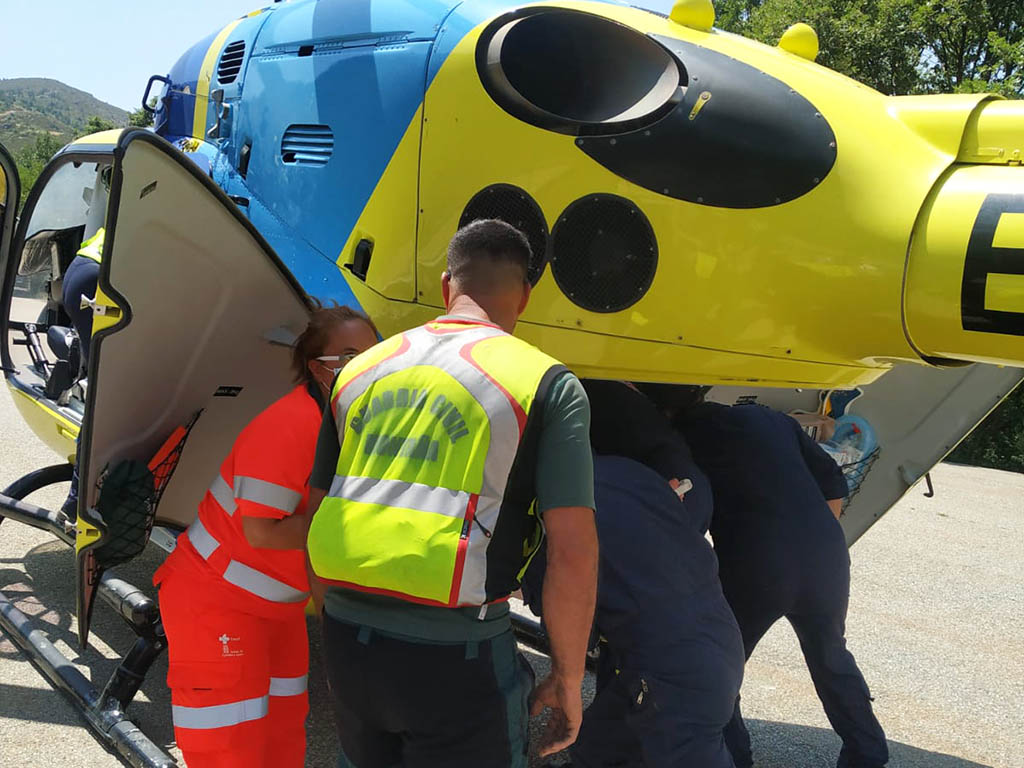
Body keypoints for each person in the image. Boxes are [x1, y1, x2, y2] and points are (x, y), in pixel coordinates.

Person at [305, 219, 598, 768]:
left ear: (447, 286)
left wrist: (336, 623)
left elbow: (319, 508)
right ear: (525, 295)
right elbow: (573, 551)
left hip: (348, 635)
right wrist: (567, 676)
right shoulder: (546, 383)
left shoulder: (358, 372)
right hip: (456, 652)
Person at [153, 303, 379, 768]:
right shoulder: (291, 425)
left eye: (377, 356)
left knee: (282, 733)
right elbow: (263, 533)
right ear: (320, 369)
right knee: (228, 747)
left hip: (278, 608)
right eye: (353, 357)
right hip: (218, 603)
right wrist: (357, 523)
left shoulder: (345, 424)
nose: (370, 369)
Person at [643, 384, 889, 768]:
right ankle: (868, 754)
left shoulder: (678, 442)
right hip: (825, 550)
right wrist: (810, 542)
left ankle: (734, 756)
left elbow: (683, 512)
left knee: (723, 662)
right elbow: (834, 482)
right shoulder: (767, 418)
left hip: (757, 561)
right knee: (830, 656)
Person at [524, 380, 744, 767]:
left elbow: (569, 617)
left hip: (672, 676)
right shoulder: (634, 474)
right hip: (717, 645)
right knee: (597, 749)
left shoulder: (559, 512)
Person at [58, 225, 104, 519]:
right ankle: (77, 504)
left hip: (83, 267)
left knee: (105, 388)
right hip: (99, 277)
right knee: (107, 398)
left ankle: (79, 500)